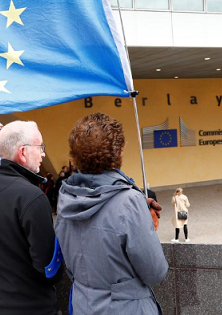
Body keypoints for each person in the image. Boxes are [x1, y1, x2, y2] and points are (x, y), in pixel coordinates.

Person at [56, 113, 168, 315]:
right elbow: (155, 272)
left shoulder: (66, 197)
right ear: (119, 152)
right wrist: (141, 220)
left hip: (83, 307)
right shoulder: (129, 202)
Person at [0, 121, 62, 315]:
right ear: (23, 152)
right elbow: (48, 269)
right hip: (31, 308)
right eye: (40, 147)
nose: (43, 153)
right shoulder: (33, 196)